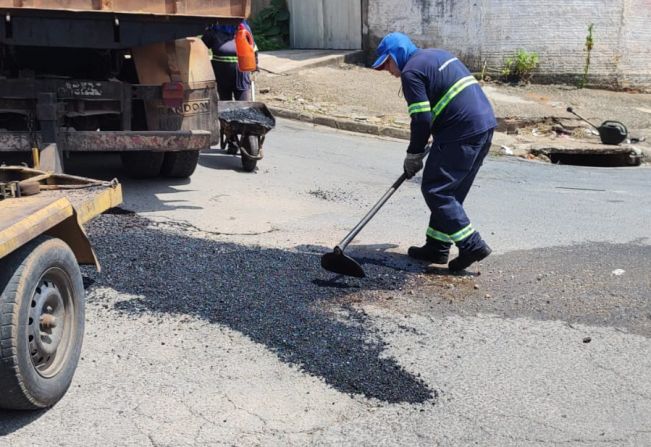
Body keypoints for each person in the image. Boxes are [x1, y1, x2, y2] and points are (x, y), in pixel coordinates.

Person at [372, 32, 497, 272]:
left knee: (436, 190)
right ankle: (437, 246)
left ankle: (472, 244)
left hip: (460, 131)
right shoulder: (436, 55)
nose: (387, 70)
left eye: (387, 63)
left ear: (397, 54)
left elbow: (421, 118)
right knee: (450, 190)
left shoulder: (410, 72)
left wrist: (414, 154)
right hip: (484, 126)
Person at [201, 21, 257, 101]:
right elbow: (201, 46)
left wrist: (255, 66)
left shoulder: (244, 28)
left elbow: (253, 48)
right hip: (222, 76)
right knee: (225, 105)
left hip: (241, 76)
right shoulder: (214, 30)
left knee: (244, 105)